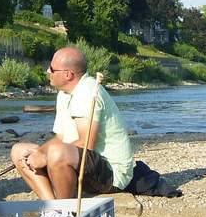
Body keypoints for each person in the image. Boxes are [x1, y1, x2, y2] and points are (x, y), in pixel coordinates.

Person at [10, 47, 134, 201]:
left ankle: (64, 209)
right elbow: (61, 137)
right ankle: (52, 207)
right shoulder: (64, 93)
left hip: (111, 173)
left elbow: (87, 143)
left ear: (68, 74)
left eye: (52, 69)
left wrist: (44, 156)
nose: (48, 71)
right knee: (19, 150)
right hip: (83, 160)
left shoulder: (87, 92)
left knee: (56, 152)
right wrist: (39, 153)